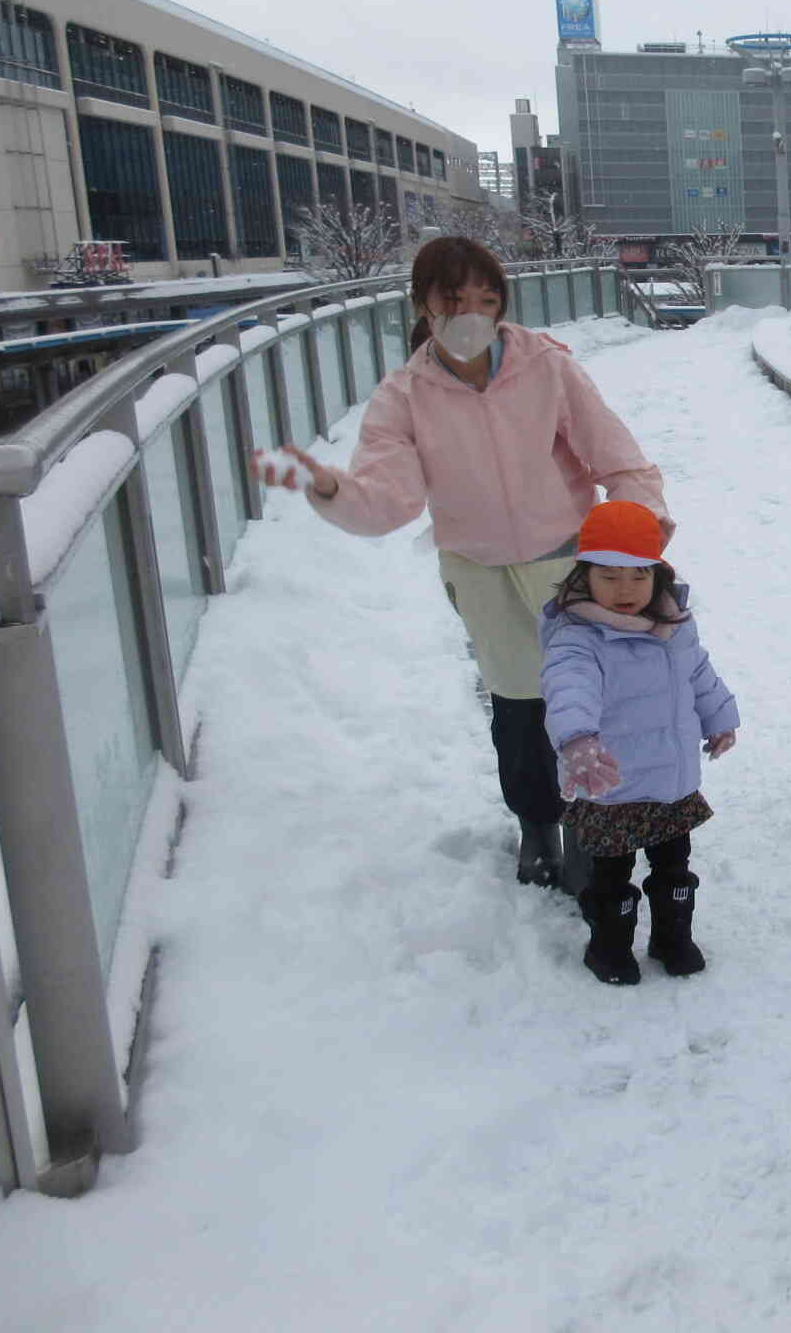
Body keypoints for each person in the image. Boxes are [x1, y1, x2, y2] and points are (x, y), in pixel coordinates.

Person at [251, 236, 669, 892]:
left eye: (487, 298)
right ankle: (538, 823)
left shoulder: (547, 369)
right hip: (479, 569)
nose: (473, 312)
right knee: (520, 707)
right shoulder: (404, 396)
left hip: (566, 558)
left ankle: (595, 825)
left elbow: (618, 458)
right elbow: (387, 500)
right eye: (455, 299)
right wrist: (329, 489)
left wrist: (637, 529)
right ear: (423, 305)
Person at [538, 501, 738, 985]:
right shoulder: (577, 636)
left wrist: (720, 717)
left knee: (675, 872)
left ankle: (672, 939)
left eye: (637, 576)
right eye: (609, 577)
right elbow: (568, 686)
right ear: (585, 577)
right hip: (613, 785)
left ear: (658, 575)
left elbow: (698, 673)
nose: (625, 590)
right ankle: (609, 950)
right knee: (611, 879)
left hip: (670, 782)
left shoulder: (675, 626)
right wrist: (577, 739)